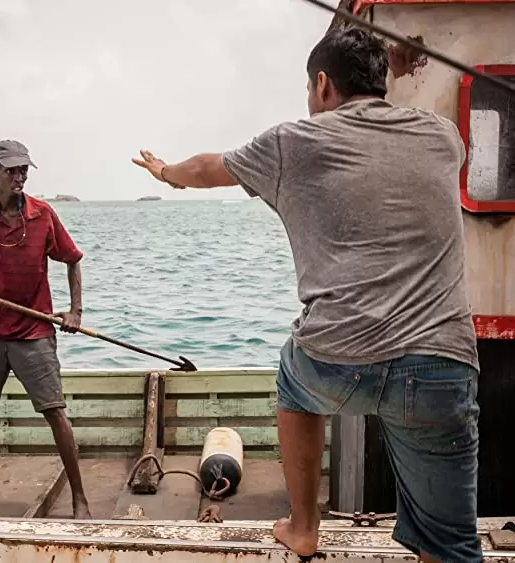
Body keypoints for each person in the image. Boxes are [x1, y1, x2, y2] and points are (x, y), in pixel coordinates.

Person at [131, 27, 481, 563]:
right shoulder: (442, 137)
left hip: (337, 364)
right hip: (440, 365)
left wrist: (166, 173)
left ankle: (303, 528)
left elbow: (205, 168)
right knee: (451, 546)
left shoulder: (290, 144)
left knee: (293, 376)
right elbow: (388, 143)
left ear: (322, 84)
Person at [0, 139, 92, 519]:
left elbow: (73, 260)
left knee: (54, 411)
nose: (20, 176)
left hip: (34, 329)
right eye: (11, 169)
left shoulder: (42, 215)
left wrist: (75, 310)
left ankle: (79, 496)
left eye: (24, 169)